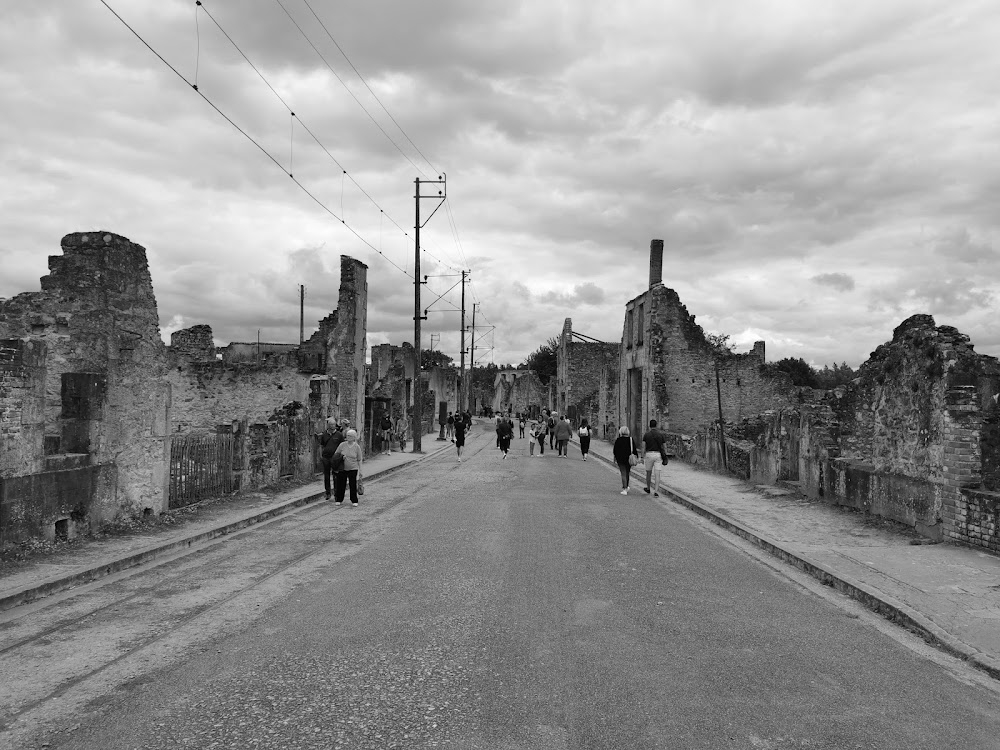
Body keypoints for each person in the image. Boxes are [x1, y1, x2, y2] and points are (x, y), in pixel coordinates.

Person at [316, 417, 346, 500]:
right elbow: (321, 446)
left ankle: (336, 493)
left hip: (335, 458)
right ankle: (328, 492)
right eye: (331, 424)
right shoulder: (324, 434)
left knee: (336, 475)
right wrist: (320, 455)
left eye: (333, 424)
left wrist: (341, 456)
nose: (332, 426)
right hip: (326, 457)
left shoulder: (339, 435)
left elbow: (343, 446)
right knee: (326, 475)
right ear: (328, 425)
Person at [333, 428, 364, 506]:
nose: (348, 437)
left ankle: (354, 500)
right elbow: (336, 455)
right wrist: (341, 457)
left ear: (354, 437)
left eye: (350, 436)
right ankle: (339, 499)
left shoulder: (357, 447)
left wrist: (361, 470)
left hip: (353, 468)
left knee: (352, 484)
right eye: (347, 435)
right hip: (342, 468)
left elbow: (359, 459)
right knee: (341, 484)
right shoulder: (342, 445)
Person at [641, 419, 669, 496]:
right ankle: (656, 491)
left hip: (649, 454)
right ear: (656, 425)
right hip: (658, 454)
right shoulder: (660, 435)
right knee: (657, 473)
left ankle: (648, 488)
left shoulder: (646, 435)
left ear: (649, 426)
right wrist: (665, 455)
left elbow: (643, 446)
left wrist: (642, 457)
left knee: (648, 473)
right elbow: (665, 446)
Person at [612, 426, 639, 495]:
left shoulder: (618, 440)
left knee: (623, 473)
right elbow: (634, 449)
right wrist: (637, 457)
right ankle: (626, 485)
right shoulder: (630, 439)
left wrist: (615, 457)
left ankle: (624, 488)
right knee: (627, 472)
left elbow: (615, 450)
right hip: (629, 458)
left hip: (620, 459)